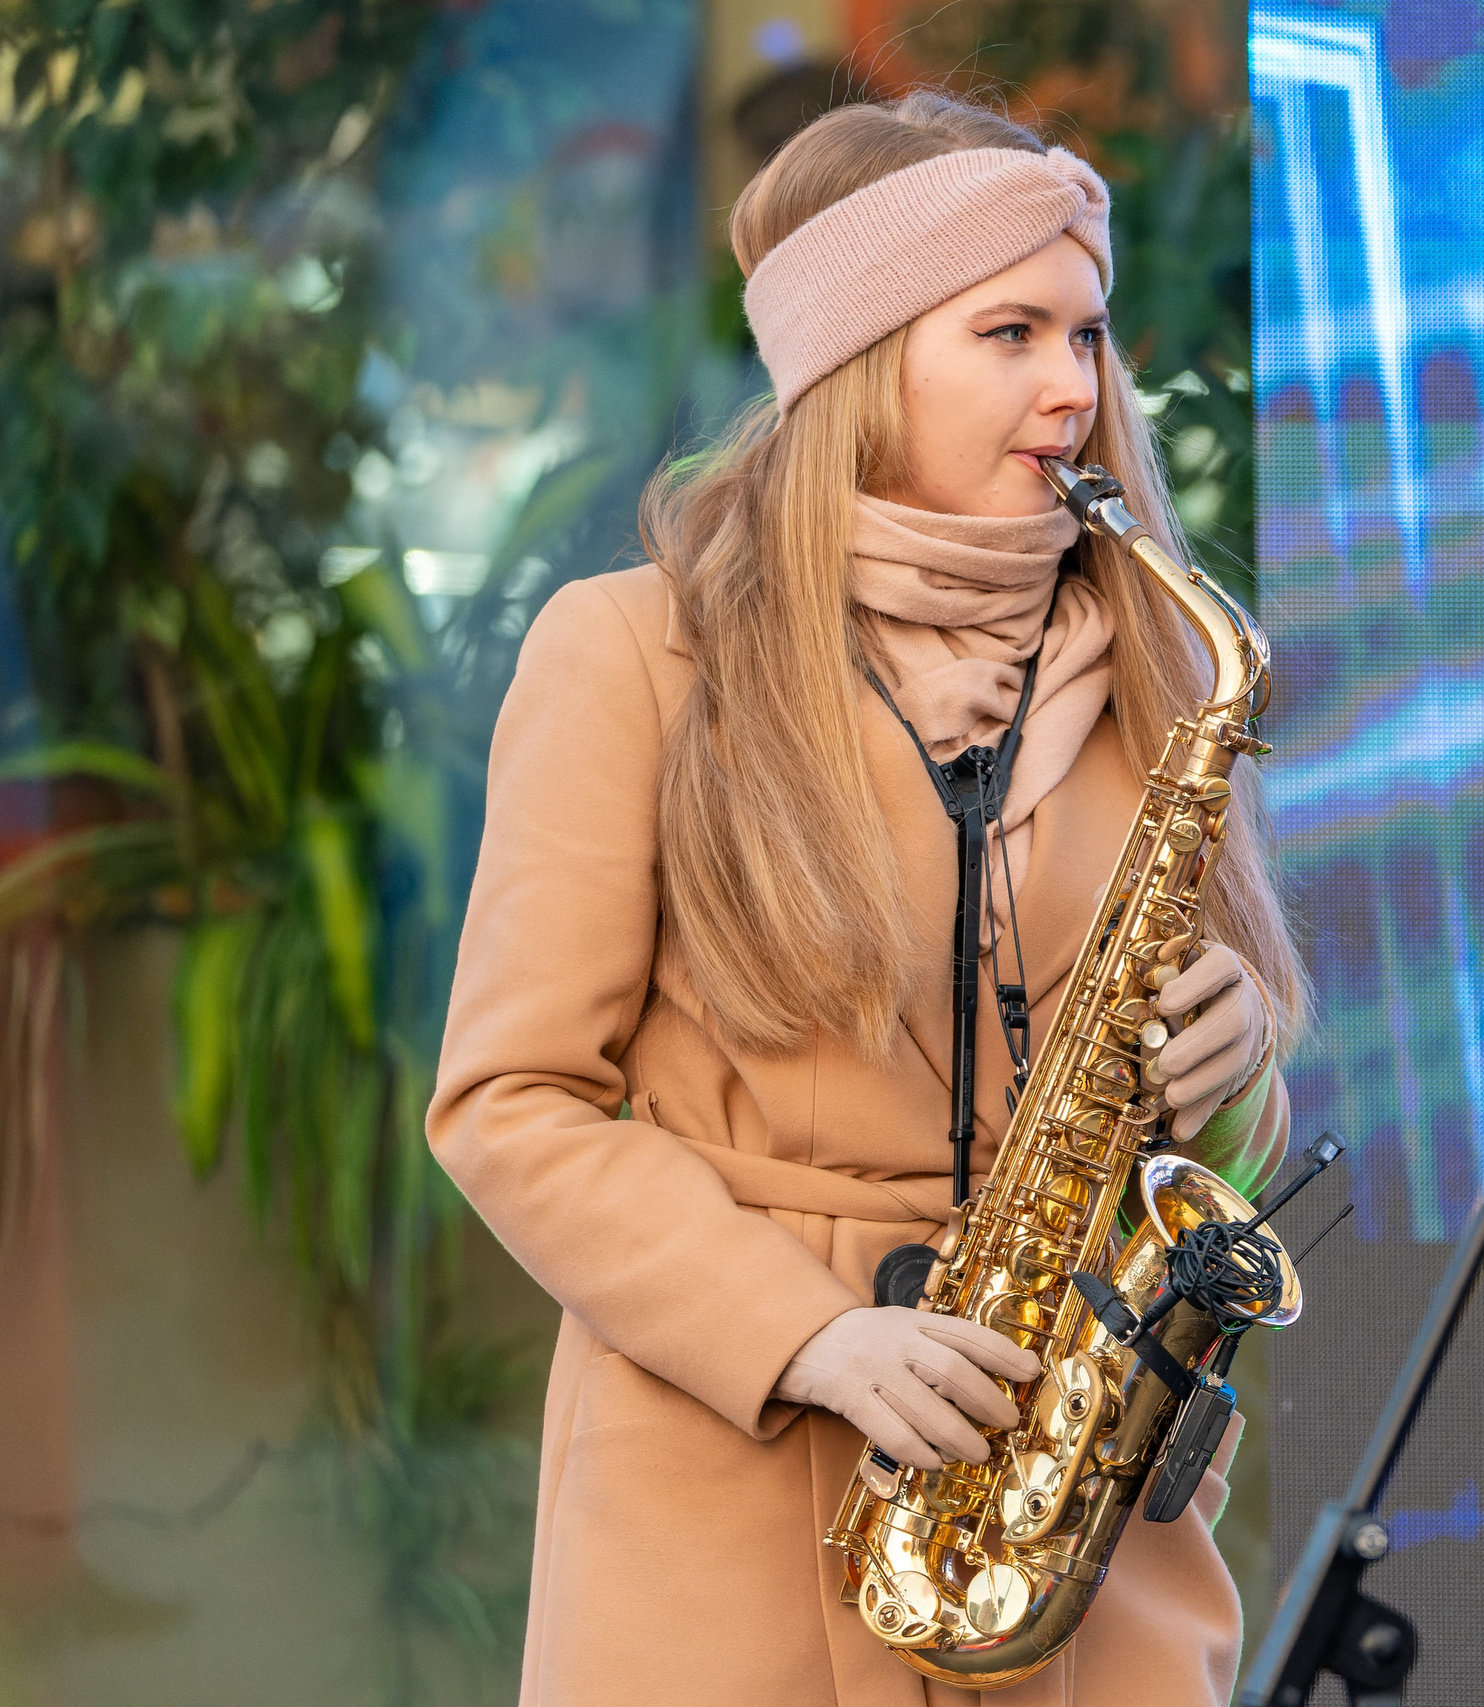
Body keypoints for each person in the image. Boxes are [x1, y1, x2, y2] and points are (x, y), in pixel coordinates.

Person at [427, 91, 1305, 1706]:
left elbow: (1208, 1154)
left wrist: (1236, 1058)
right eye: (1011, 331)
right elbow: (509, 1102)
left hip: (1063, 1513)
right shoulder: (632, 652)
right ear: (857, 360)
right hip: (727, 1507)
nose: (1077, 386)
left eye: (1089, 331)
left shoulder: (1169, 670)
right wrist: (808, 1335)